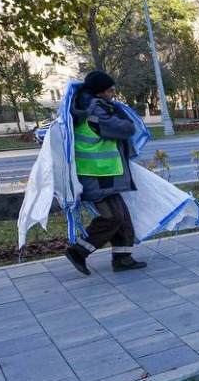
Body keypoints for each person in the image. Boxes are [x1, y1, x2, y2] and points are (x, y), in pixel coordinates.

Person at [63, 70, 148, 275]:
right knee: (111, 217)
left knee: (122, 217)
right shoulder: (94, 110)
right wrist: (124, 118)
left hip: (104, 172)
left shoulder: (91, 106)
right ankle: (78, 251)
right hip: (96, 173)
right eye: (110, 90)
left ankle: (123, 258)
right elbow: (125, 129)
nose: (113, 94)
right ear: (99, 92)